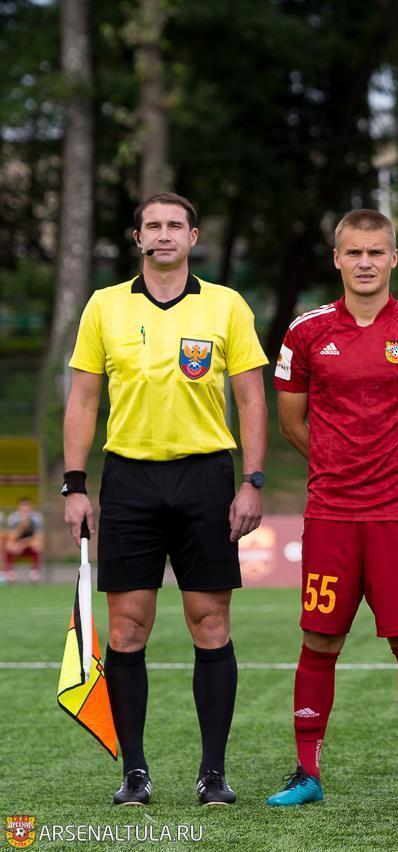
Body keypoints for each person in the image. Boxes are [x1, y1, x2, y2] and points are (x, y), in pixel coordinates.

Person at [62, 192, 268, 806]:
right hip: (129, 480)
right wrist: (75, 484)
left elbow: (252, 399)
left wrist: (253, 480)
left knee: (210, 622)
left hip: (206, 477)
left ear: (193, 237)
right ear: (137, 239)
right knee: (127, 629)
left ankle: (213, 774)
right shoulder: (104, 306)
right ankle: (135, 773)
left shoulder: (226, 305)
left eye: (175, 225)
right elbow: (83, 399)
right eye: (152, 226)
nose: (163, 234)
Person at [268, 209, 398, 808]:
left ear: (393, 258)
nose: (365, 263)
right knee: (319, 639)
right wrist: (338, 465)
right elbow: (291, 422)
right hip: (330, 514)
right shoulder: (305, 333)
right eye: (354, 252)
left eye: (376, 252)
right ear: (337, 259)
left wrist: (396, 466)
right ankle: (306, 772)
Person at [4, 497, 44, 582]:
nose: (25, 508)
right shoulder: (13, 517)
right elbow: (12, 537)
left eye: (27, 506)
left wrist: (23, 543)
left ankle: (35, 573)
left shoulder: (37, 517)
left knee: (38, 544)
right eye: (23, 506)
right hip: (17, 545)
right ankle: (10, 573)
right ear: (19, 507)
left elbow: (38, 536)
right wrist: (22, 525)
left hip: (29, 544)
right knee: (9, 545)